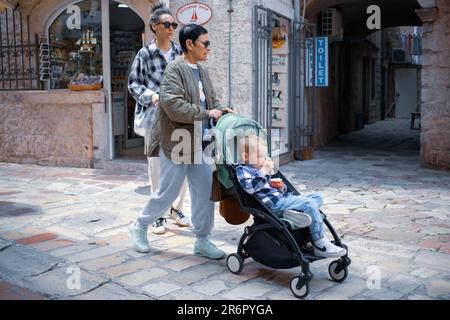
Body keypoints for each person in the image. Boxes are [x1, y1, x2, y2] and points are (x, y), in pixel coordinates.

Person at [129, 23, 234, 259]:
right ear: (190, 44)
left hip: (201, 142)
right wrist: (207, 114)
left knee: (205, 192)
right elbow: (172, 105)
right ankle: (139, 225)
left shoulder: (202, 71)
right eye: (205, 43)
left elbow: (212, 101)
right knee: (168, 193)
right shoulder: (174, 70)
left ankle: (203, 240)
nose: (208, 48)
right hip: (179, 140)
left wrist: (220, 110)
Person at [128, 2, 189, 235]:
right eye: (168, 24)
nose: (172, 28)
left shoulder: (180, 54)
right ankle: (157, 215)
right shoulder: (144, 54)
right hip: (155, 119)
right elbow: (133, 84)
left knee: (183, 165)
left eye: (174, 24)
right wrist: (151, 95)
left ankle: (176, 209)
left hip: (180, 117)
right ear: (155, 27)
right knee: (157, 168)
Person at [235, 135, 347, 258]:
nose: (263, 160)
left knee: (317, 197)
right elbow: (250, 188)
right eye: (259, 157)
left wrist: (279, 186)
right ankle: (320, 243)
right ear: (245, 157)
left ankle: (292, 214)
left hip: (282, 199)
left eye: (264, 156)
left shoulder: (259, 168)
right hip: (273, 206)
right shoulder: (243, 170)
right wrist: (263, 171)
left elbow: (267, 187)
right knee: (309, 204)